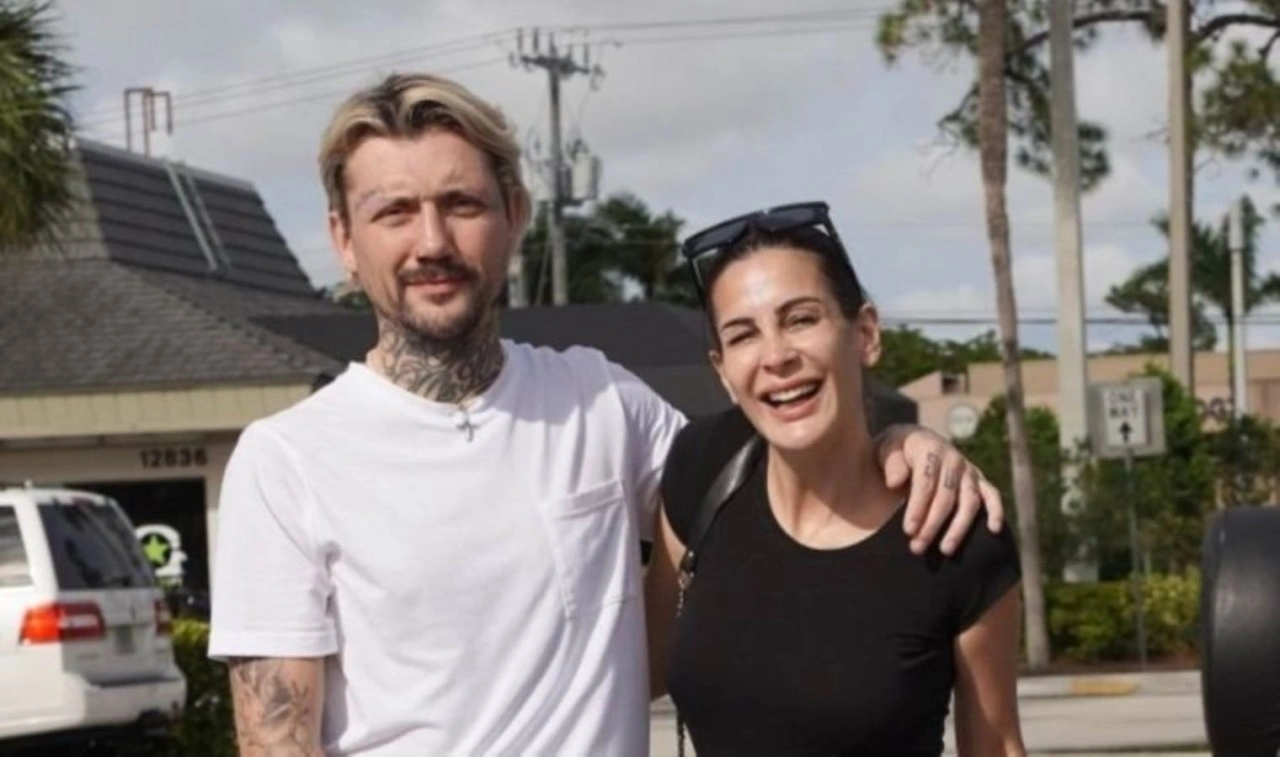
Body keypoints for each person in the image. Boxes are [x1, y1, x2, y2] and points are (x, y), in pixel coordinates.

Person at [207, 74, 1009, 756]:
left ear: (513, 214)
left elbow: (785, 460)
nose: (432, 241)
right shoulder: (287, 463)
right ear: (344, 240)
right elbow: (276, 742)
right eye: (394, 212)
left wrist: (906, 438)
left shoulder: (603, 402)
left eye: (461, 203)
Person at [646, 202, 1026, 756]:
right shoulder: (701, 467)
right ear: (723, 371)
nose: (776, 356)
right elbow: (642, 666)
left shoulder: (954, 532)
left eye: (801, 319)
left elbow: (997, 746)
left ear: (865, 333)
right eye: (744, 335)